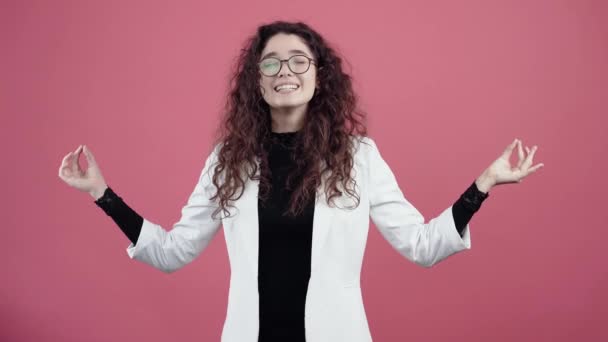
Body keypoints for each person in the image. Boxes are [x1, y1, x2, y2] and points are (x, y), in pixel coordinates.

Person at [58, 21, 543, 342]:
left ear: (318, 76)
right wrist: (103, 194)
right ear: (257, 80)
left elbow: (422, 245)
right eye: (270, 62)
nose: (284, 70)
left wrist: (483, 184)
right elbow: (171, 252)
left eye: (298, 60)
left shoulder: (359, 157)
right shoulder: (228, 161)